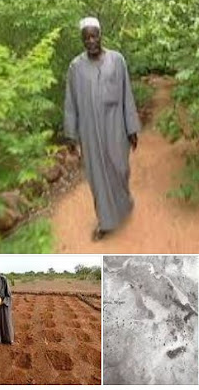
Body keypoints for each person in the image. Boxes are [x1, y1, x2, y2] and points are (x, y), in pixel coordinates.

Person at [64, 17, 141, 241]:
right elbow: (70, 102)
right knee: (97, 176)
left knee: (120, 168)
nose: (90, 41)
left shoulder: (117, 60)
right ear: (82, 40)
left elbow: (127, 94)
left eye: (94, 35)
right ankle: (106, 222)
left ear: (101, 35)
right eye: (86, 37)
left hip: (115, 125)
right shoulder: (75, 67)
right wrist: (71, 134)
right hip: (89, 131)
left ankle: (124, 204)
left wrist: (131, 128)